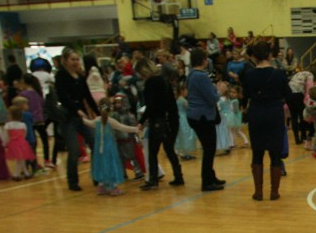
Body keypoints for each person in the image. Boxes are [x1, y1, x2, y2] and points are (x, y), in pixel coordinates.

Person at [241, 40, 292, 201]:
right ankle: (274, 191)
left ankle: (258, 192)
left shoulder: (248, 74)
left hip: (256, 113)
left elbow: (245, 97)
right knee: (275, 154)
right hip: (275, 113)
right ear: (270, 55)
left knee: (257, 153)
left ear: (254, 56)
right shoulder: (279, 74)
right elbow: (288, 95)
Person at [134, 58, 183, 190]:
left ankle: (153, 180)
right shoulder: (164, 80)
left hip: (158, 121)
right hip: (171, 120)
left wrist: (141, 121)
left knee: (152, 151)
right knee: (169, 150)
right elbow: (171, 103)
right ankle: (179, 176)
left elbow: (151, 105)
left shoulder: (150, 82)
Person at [55, 47, 99, 191]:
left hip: (82, 118)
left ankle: (97, 175)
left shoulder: (80, 77)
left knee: (95, 143)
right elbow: (63, 96)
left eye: (77, 59)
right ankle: (72, 181)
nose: (75, 62)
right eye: (72, 59)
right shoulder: (61, 76)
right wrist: (77, 110)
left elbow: (87, 96)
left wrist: (99, 113)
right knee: (74, 150)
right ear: (65, 61)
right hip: (69, 118)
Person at [81, 98, 140, 196]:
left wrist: (80, 117)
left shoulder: (97, 120)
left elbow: (87, 123)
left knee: (101, 165)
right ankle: (113, 187)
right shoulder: (111, 121)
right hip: (109, 148)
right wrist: (136, 129)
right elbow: (123, 128)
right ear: (110, 108)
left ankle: (102, 186)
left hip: (98, 149)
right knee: (111, 165)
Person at [186, 48, 225, 192]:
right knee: (209, 149)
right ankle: (207, 182)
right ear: (203, 60)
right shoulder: (200, 76)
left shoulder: (191, 74)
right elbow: (213, 98)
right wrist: (220, 90)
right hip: (202, 116)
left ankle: (211, 176)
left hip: (195, 115)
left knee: (209, 148)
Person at [3, 106, 36, 180]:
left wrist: (5, 143)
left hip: (13, 144)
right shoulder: (23, 125)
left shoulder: (8, 125)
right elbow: (25, 134)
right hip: (22, 143)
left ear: (11, 115)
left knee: (20, 159)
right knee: (21, 159)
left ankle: (16, 174)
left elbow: (6, 136)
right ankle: (25, 173)